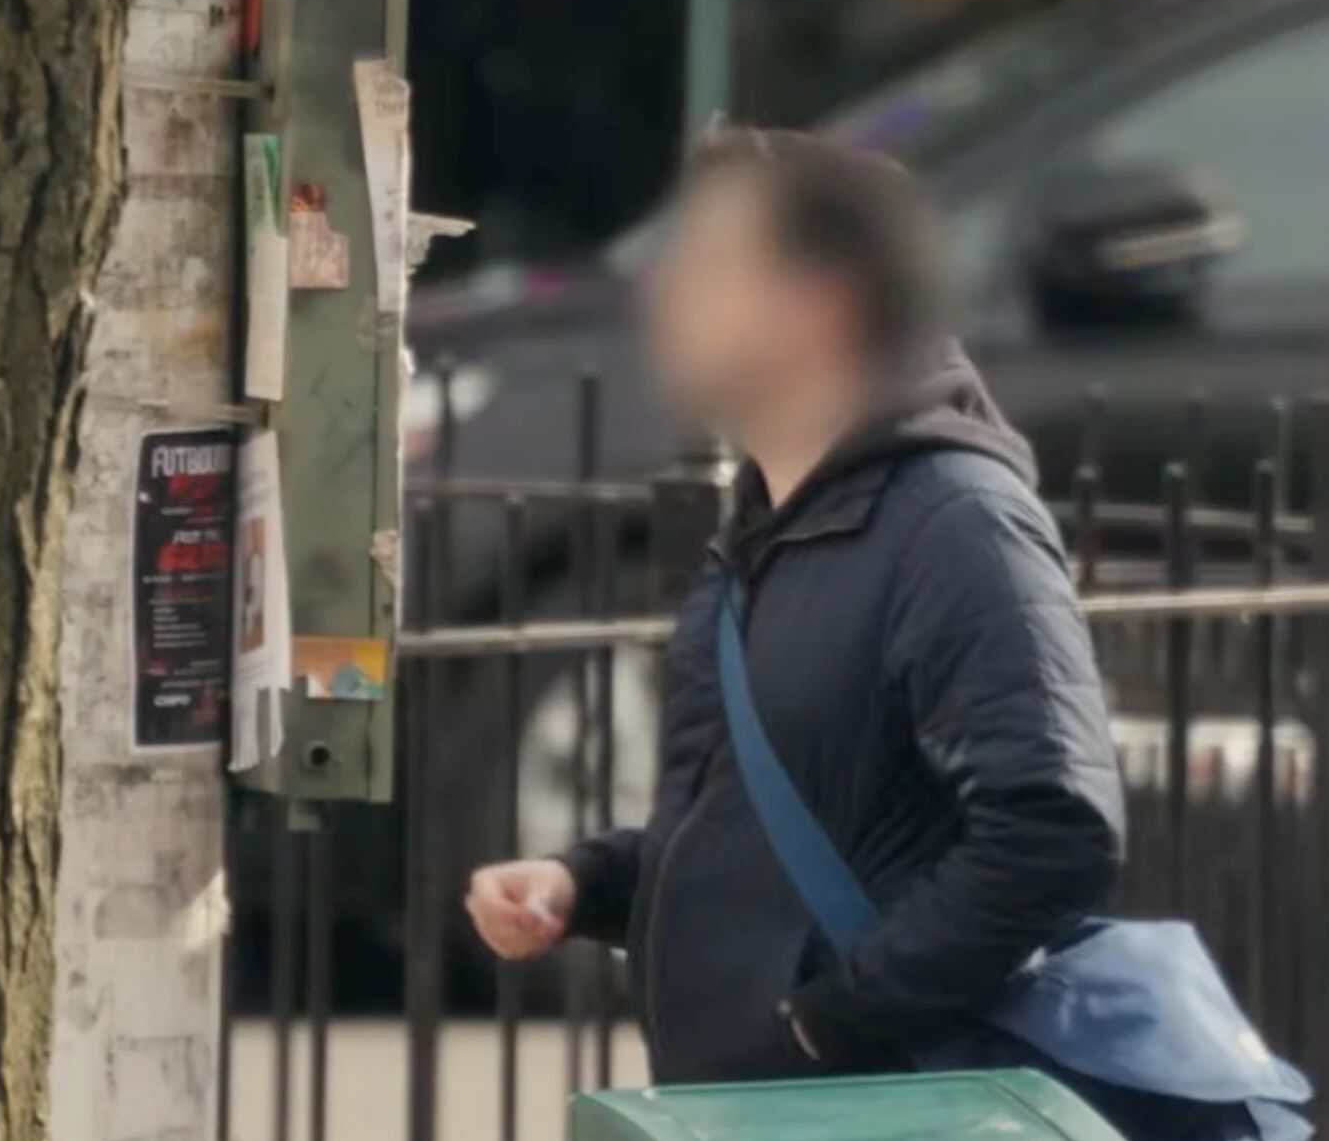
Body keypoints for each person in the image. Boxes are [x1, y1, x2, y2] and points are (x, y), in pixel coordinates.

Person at [465, 127, 1126, 1086]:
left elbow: (1057, 825)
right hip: (763, 1140)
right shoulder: (768, 529)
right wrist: (587, 881)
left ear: (823, 303)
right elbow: (769, 824)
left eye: (713, 266)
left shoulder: (956, 521)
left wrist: (834, 1021)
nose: (668, 294)